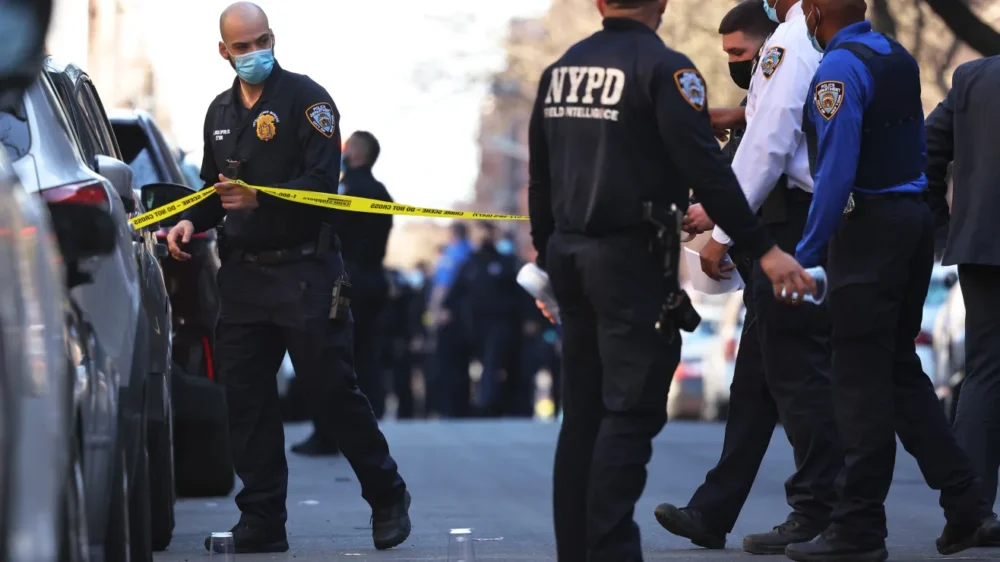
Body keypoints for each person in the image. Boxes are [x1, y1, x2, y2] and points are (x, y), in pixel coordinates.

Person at [526, 0, 815, 559]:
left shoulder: (560, 71)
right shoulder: (667, 70)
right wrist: (762, 248)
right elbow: (709, 171)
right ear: (660, 4)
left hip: (569, 255)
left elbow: (541, 177)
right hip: (630, 261)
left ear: (600, 4)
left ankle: (576, 550)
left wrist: (545, 259)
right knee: (629, 409)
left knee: (581, 415)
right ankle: (612, 549)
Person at [164, 3, 410, 552]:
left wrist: (262, 197)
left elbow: (323, 186)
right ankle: (262, 520)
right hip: (244, 277)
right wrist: (189, 221)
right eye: (242, 46)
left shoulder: (308, 100)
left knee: (332, 391)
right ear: (223, 51)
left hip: (305, 271)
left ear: (272, 38)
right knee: (246, 400)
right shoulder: (219, 111)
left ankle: (388, 494)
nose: (255, 53)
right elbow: (215, 192)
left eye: (262, 41)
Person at [783, 1, 991, 559]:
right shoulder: (893, 55)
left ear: (815, 11)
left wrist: (807, 253)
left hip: (867, 230)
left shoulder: (838, 69)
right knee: (898, 371)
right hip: (910, 223)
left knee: (859, 384)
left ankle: (857, 529)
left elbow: (836, 170)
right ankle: (967, 505)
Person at [655, 0, 832, 554]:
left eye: (738, 53)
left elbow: (767, 150)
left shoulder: (787, 45)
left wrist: (722, 231)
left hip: (792, 229)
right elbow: (765, 131)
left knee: (796, 378)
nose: (734, 62)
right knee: (755, 385)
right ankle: (712, 512)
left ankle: (821, 509)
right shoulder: (798, 43)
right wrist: (738, 117)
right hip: (782, 227)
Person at [925, 56, 1000, 546]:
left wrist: (943, 226)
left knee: (986, 373)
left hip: (984, 246)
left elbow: (925, 151)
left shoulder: (974, 78)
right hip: (980, 243)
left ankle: (971, 512)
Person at [448, 223, 521, 416]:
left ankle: (487, 404)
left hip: (499, 322)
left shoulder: (506, 263)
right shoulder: (469, 263)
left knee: (493, 361)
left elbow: (518, 294)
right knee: (477, 364)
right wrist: (446, 310)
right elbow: (455, 292)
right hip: (473, 324)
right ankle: (470, 403)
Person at [427, 223, 475, 417]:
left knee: (447, 364)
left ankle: (449, 408)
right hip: (469, 318)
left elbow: (443, 286)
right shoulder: (471, 252)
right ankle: (463, 407)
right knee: (463, 365)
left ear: (453, 234)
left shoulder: (452, 255)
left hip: (450, 316)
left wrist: (436, 310)